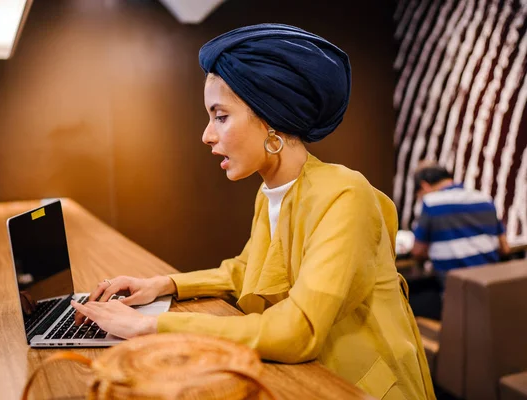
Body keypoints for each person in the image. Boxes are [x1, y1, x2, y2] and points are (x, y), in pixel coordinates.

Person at [71, 24, 435, 400]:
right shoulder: (270, 192)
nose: (207, 135)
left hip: (359, 387)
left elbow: (298, 332)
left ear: (270, 119)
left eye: (221, 116)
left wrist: (153, 327)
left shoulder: (345, 194)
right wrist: (164, 285)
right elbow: (247, 271)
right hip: (304, 378)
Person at [411, 161, 511, 288]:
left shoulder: (431, 203)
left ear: (424, 186)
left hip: (456, 289)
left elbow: (417, 251)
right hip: (490, 286)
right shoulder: (484, 198)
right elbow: (505, 248)